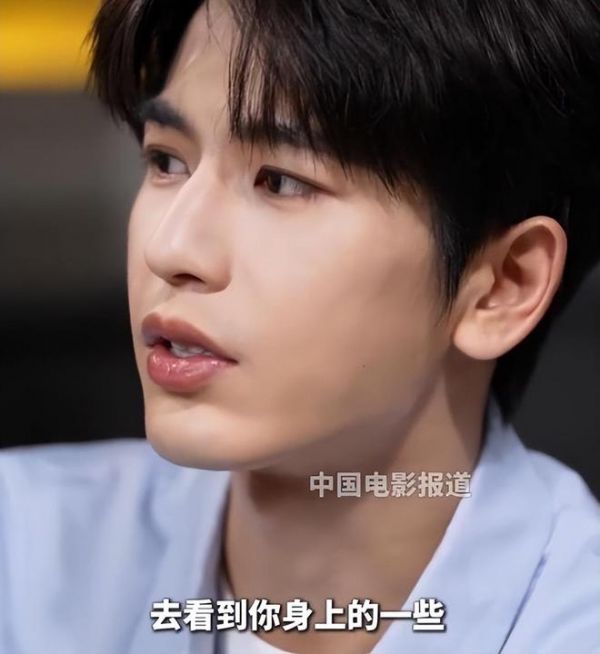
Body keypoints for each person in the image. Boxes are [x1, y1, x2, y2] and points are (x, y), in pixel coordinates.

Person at [1, 0, 600, 652]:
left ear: (503, 287)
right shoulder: (26, 557)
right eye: (167, 161)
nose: (170, 249)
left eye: (281, 182)